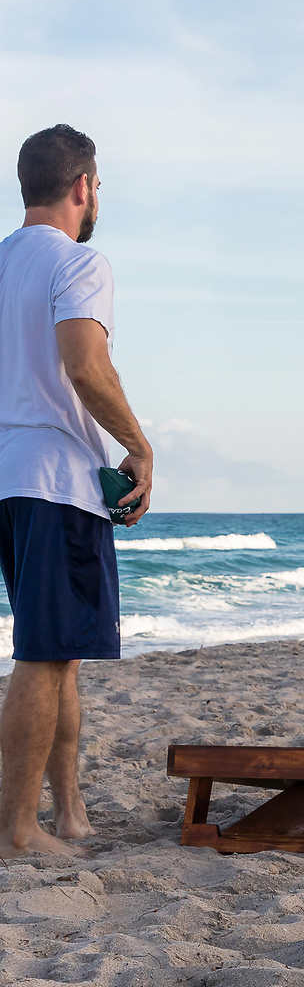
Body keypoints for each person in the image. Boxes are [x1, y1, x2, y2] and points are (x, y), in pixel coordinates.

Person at [0, 124, 153, 858]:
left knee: (57, 650)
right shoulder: (80, 261)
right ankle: (18, 831)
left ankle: (70, 814)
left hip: (7, 479)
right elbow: (86, 366)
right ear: (83, 186)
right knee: (41, 653)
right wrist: (139, 445)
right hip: (54, 480)